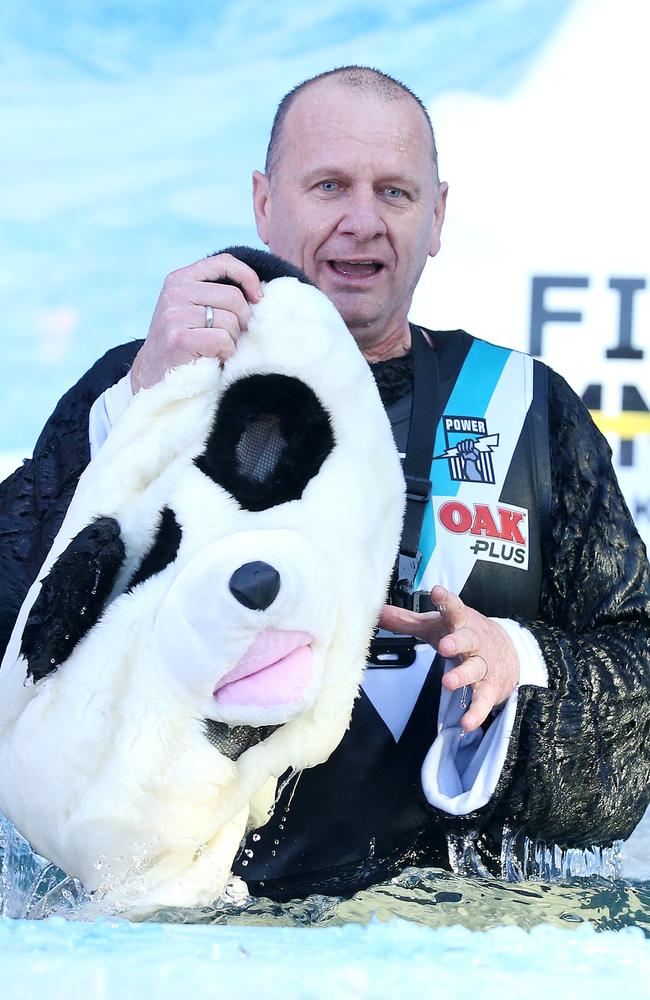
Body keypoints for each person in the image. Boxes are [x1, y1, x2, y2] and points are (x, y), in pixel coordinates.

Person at [1, 66, 649, 899]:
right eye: (329, 185)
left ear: (438, 216)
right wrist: (140, 404)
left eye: (395, 192)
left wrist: (517, 666)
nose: (362, 222)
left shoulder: (530, 411)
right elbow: (18, 641)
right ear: (266, 204)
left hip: (445, 937)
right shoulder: (149, 386)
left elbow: (637, 680)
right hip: (181, 937)